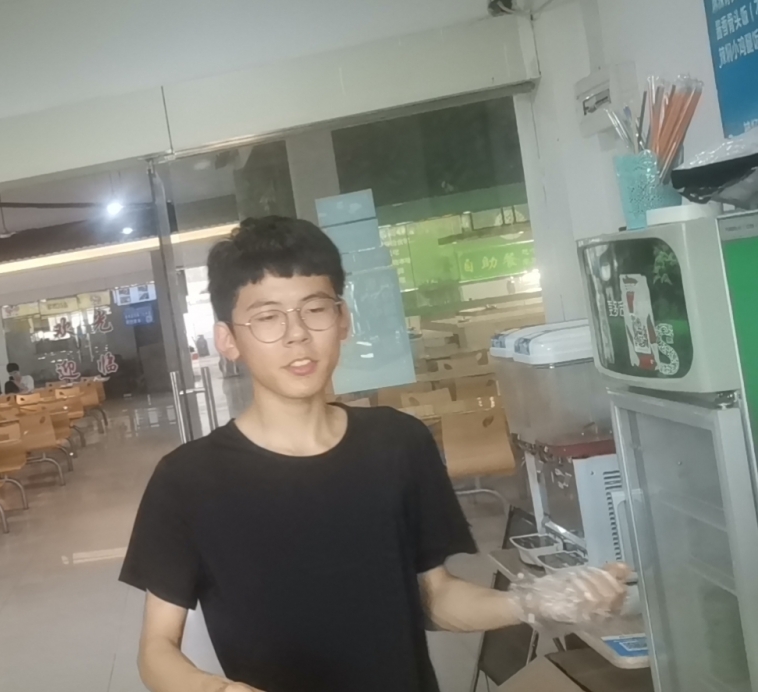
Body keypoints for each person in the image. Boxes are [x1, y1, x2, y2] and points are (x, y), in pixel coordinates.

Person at [119, 216, 628, 692]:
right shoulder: (188, 480)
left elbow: (434, 598)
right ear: (228, 340)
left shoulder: (398, 443)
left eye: (315, 309)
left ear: (342, 319)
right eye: (267, 317)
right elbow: (157, 650)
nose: (297, 334)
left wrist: (533, 601)